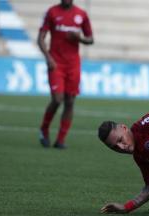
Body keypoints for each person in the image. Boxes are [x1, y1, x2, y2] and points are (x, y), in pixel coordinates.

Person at [38, 0, 94, 149]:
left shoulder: (81, 15)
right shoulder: (52, 12)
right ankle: (44, 129)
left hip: (73, 65)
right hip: (56, 63)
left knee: (70, 101)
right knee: (57, 99)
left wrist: (80, 38)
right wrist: (48, 58)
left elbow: (91, 39)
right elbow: (41, 38)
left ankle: (60, 140)